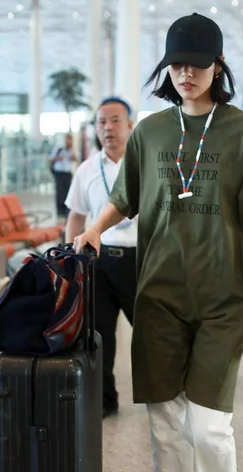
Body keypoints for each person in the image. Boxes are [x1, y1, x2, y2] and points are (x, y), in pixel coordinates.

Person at [74, 12, 243, 472]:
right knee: (166, 426)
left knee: (210, 427)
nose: (186, 74)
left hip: (224, 297)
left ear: (219, 65)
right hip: (160, 296)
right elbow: (127, 196)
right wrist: (95, 228)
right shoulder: (152, 131)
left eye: (197, 64)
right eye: (177, 65)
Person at [65, 97, 137, 419]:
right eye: (101, 122)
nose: (107, 128)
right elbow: (76, 217)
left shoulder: (144, 163)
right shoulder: (87, 169)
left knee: (152, 334)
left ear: (130, 125)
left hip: (142, 261)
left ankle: (164, 396)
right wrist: (70, 263)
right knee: (100, 334)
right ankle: (105, 401)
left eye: (115, 120)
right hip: (101, 262)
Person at [50, 133, 78, 218]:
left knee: (68, 192)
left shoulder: (71, 150)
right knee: (60, 192)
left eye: (70, 140)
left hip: (67, 173)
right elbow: (51, 159)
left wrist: (72, 152)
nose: (68, 141)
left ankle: (67, 210)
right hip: (59, 173)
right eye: (67, 139)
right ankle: (60, 211)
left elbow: (76, 159)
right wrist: (58, 158)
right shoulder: (58, 149)